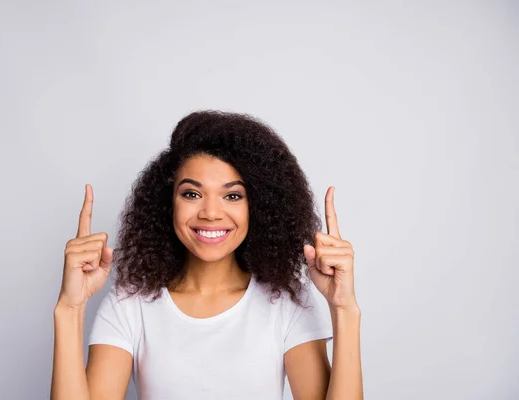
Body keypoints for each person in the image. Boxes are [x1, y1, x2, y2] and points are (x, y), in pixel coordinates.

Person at [51, 111, 363, 400]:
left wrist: (344, 309)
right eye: (192, 193)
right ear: (168, 202)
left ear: (259, 206)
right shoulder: (130, 305)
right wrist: (69, 309)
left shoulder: (287, 304)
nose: (211, 212)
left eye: (232, 195)